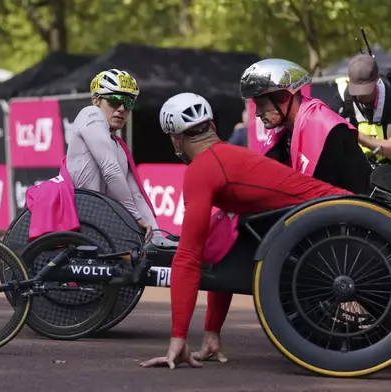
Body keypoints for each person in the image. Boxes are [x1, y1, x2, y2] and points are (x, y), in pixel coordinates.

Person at [139, 92, 353, 370]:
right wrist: (211, 332)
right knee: (220, 233)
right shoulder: (230, 155)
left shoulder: (202, 169)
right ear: (213, 127)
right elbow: (222, 251)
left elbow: (188, 257)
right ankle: (212, 340)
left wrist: (178, 337)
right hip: (336, 212)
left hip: (338, 216)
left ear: (176, 139)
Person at [240, 58, 373, 195]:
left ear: (284, 97)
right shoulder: (284, 131)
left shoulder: (325, 129)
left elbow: (329, 196)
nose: (257, 113)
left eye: (262, 104)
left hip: (358, 208)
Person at [65, 68, 157, 241]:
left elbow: (135, 194)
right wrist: (135, 217)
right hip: (83, 219)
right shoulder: (90, 113)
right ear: (96, 100)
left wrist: (157, 235)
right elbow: (110, 170)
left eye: (129, 103)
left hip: (98, 218)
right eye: (114, 101)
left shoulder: (117, 145)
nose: (122, 109)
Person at [333, 54, 391, 184]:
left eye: (366, 91)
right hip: (360, 173)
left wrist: (355, 134)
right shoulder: (342, 96)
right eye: (357, 90)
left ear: (377, 79)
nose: (361, 96)